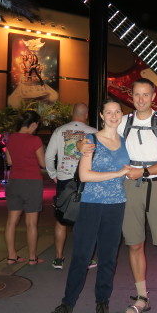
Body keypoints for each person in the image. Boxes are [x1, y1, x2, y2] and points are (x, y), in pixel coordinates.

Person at [81, 78, 157, 313]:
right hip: (129, 188)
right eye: (137, 95)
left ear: (154, 97)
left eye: (146, 95)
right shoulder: (124, 122)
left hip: (154, 186)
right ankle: (142, 296)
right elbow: (102, 137)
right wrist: (83, 143)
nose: (141, 99)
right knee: (134, 244)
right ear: (130, 96)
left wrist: (142, 172)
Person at [46, 98, 132, 313]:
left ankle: (102, 302)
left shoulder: (125, 142)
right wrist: (118, 173)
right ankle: (67, 303)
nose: (113, 116)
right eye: (108, 112)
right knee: (81, 256)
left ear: (120, 115)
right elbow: (84, 175)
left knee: (108, 258)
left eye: (117, 112)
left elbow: (133, 169)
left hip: (116, 205)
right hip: (91, 204)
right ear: (101, 116)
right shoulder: (90, 140)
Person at [45, 102, 97, 270]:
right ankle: (86, 259)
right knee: (85, 220)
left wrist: (53, 174)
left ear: (72, 113)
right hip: (86, 180)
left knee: (61, 220)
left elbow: (48, 156)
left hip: (64, 180)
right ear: (86, 115)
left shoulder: (59, 131)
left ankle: (59, 258)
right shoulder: (94, 132)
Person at [4, 111, 46, 265]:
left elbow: (10, 161)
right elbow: (43, 163)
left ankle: (11, 256)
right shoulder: (35, 140)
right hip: (32, 183)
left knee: (11, 222)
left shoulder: (11, 138)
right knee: (31, 223)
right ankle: (32, 258)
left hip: (14, 181)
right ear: (33, 124)